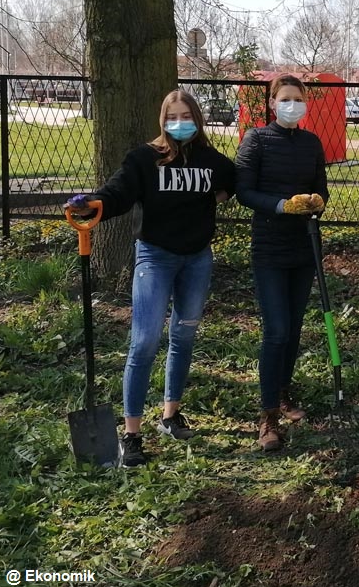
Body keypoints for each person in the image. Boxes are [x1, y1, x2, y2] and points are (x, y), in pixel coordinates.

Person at [64, 90, 236, 468]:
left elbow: (230, 185)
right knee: (143, 342)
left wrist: (215, 199)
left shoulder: (211, 161)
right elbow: (119, 192)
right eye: (172, 116)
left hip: (197, 259)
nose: (179, 122)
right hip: (155, 256)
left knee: (184, 334)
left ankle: (171, 416)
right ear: (163, 120)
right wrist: (94, 203)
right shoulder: (145, 159)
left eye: (186, 115)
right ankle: (132, 434)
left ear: (197, 118)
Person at [235, 74, 328, 451]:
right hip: (270, 248)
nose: (292, 104)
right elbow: (244, 191)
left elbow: (321, 187)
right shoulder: (256, 139)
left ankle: (284, 393)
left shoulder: (311, 142)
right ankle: (268, 416)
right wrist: (279, 205)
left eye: (298, 98)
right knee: (275, 329)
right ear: (272, 103)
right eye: (285, 98)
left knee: (293, 327)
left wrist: (317, 201)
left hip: (304, 247)